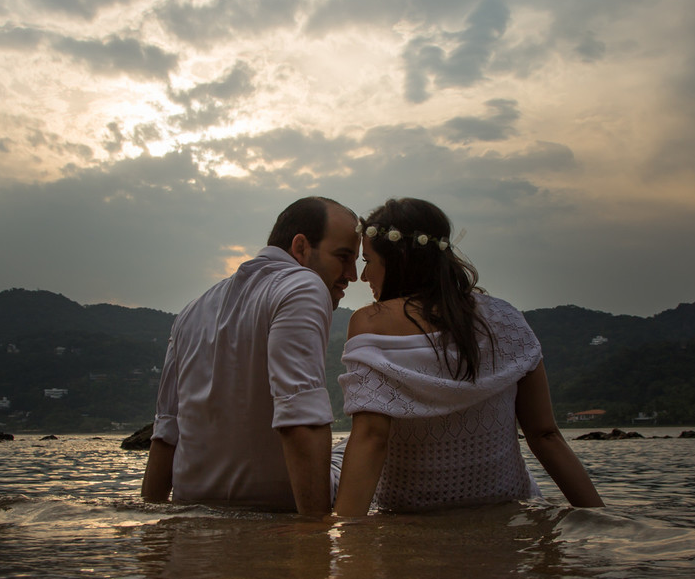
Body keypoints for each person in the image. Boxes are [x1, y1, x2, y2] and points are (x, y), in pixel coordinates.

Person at [331, 197, 603, 515]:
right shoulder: (506, 317)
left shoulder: (369, 321)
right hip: (508, 506)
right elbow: (544, 434)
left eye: (368, 261)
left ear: (399, 258)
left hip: (411, 515)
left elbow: (371, 438)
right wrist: (602, 519)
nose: (364, 277)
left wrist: (345, 531)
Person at [142, 196, 360, 515]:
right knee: (372, 442)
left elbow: (166, 432)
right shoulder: (302, 285)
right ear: (300, 247)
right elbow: (301, 414)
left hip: (194, 505)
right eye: (343, 257)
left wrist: (153, 523)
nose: (352, 275)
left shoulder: (191, 311)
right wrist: (316, 537)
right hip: (284, 504)